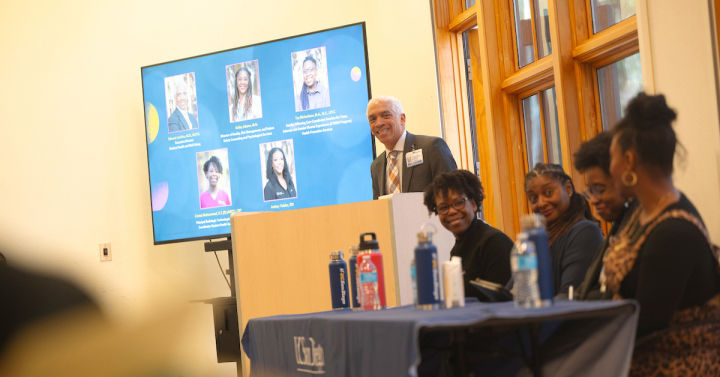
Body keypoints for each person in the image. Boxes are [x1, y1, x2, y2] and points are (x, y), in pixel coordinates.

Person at [604, 93, 720, 375]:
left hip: (675, 365)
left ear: (629, 160)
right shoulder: (642, 213)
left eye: (611, 157)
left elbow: (646, 323)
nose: (610, 168)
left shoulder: (673, 233)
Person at [423, 170, 513, 301]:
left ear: (473, 204)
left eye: (458, 202)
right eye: (443, 207)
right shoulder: (457, 249)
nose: (452, 211)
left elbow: (503, 303)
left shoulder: (494, 242)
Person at [573, 131, 637, 300]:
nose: (593, 200)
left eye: (600, 190)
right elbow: (587, 290)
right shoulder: (620, 224)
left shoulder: (641, 225)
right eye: (590, 191)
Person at [523, 163, 603, 296]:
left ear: (568, 188)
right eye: (533, 198)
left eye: (548, 193)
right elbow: (513, 291)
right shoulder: (537, 239)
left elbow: (569, 297)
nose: (541, 203)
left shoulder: (585, 232)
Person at [368, 95, 457, 200]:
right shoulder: (376, 166)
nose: (379, 123)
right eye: (373, 119)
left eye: (386, 115)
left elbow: (453, 196)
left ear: (402, 119)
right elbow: (379, 208)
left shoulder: (431, 147)